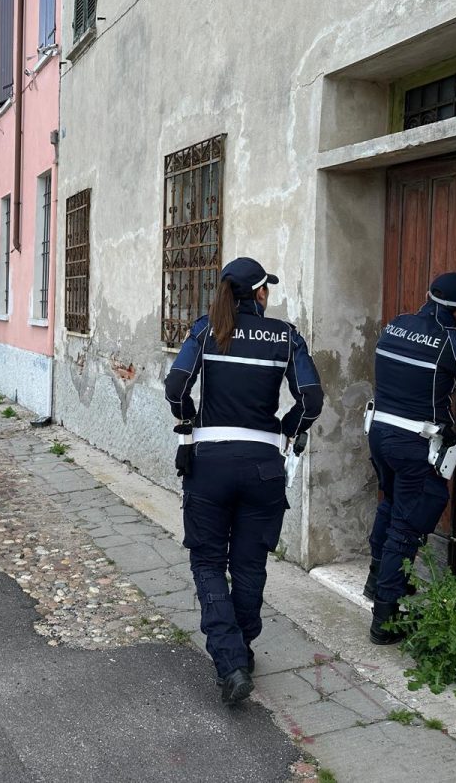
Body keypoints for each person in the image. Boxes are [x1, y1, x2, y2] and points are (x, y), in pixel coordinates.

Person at [165, 257, 323, 705]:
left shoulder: (206, 330)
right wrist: (288, 429)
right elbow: (312, 398)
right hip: (263, 466)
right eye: (266, 288)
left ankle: (231, 660)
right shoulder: (285, 336)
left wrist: (188, 419)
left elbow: (176, 388)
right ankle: (242, 649)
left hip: (210, 465)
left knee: (208, 562)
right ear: (259, 293)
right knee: (250, 564)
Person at [364, 272, 456, 645]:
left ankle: (376, 579)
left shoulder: (395, 325)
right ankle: (385, 619)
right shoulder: (450, 341)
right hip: (414, 442)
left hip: (379, 432)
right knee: (408, 525)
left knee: (390, 504)